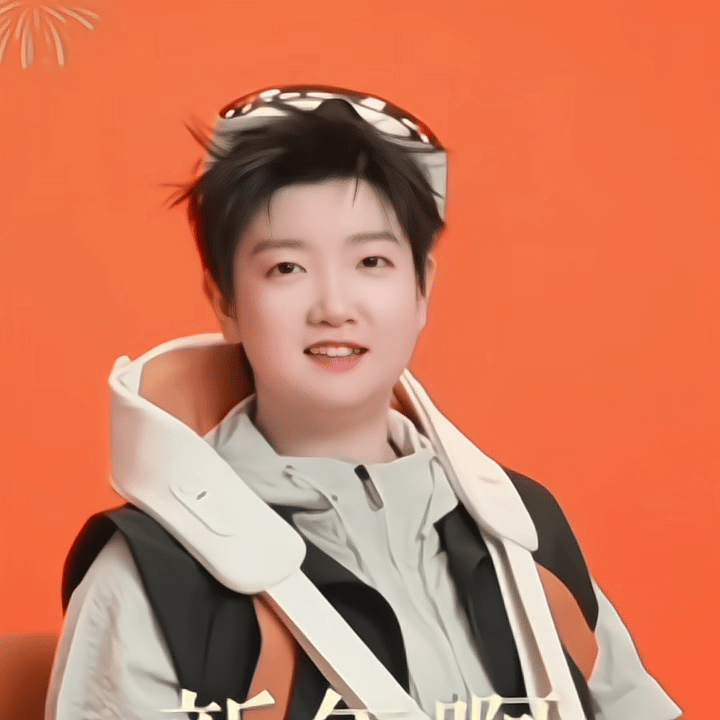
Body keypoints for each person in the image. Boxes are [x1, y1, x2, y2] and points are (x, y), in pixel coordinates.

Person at [45, 86, 681, 720]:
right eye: (286, 268)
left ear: (422, 288)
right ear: (226, 302)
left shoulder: (522, 531)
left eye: (371, 261)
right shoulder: (154, 576)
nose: (334, 307)